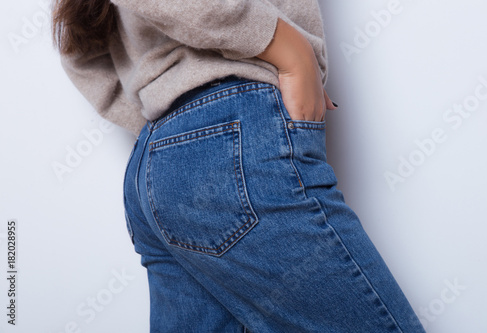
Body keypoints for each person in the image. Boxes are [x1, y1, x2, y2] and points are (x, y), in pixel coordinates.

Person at [52, 0, 426, 332]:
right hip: (233, 142)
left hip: (158, 167)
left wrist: (171, 129)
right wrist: (290, 49)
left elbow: (75, 42)